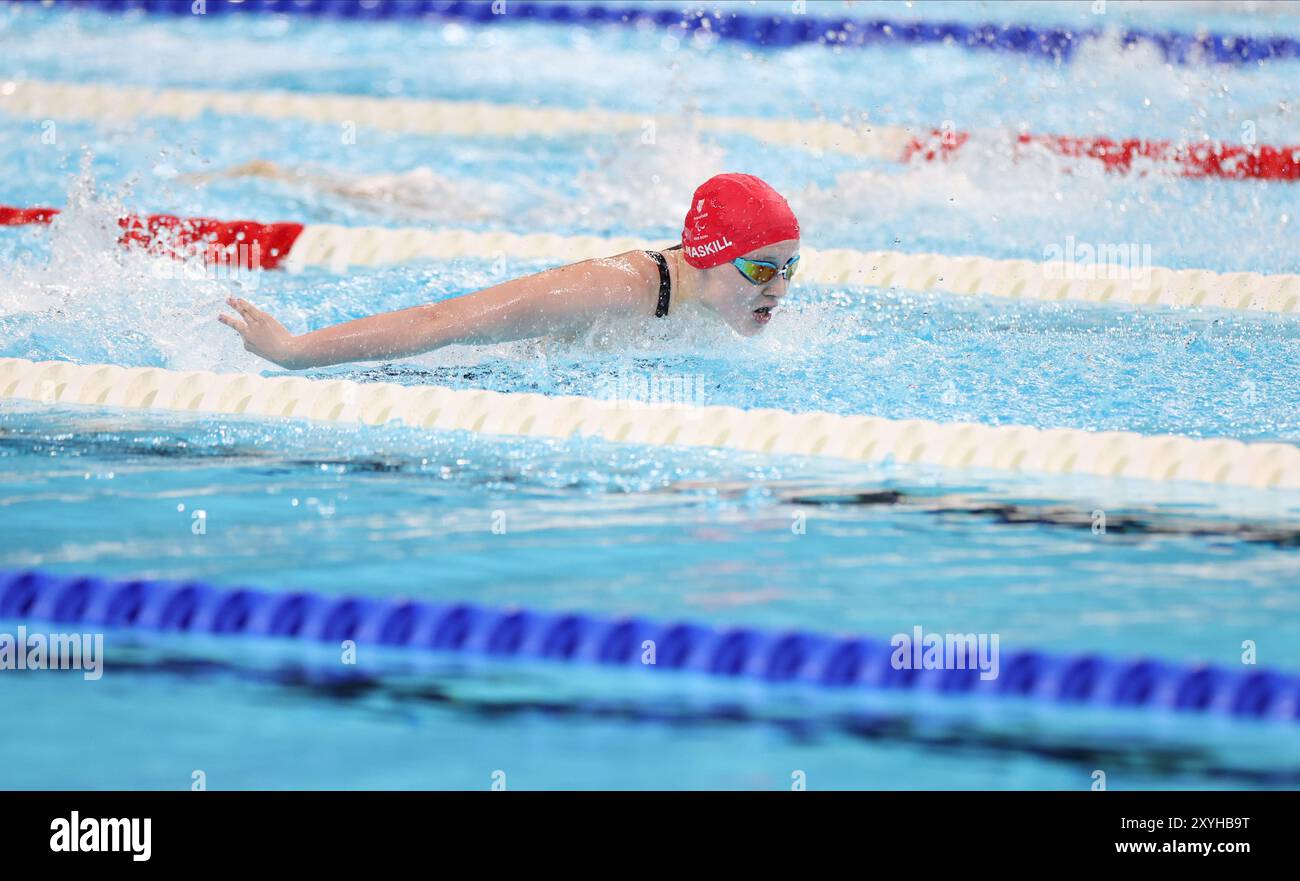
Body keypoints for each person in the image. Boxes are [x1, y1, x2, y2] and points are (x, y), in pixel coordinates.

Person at [219, 173, 800, 370]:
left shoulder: (722, 306)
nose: (778, 288)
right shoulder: (613, 288)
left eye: (790, 268)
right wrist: (293, 351)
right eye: (759, 268)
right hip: (450, 373)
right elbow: (442, 320)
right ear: (705, 253)